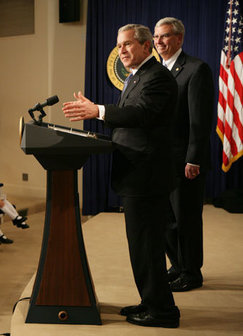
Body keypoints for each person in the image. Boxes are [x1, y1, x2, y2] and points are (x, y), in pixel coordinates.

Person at [62, 23, 179, 328]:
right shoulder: (137, 76)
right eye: (119, 46)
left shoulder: (157, 78)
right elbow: (128, 122)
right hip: (136, 174)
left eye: (128, 44)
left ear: (145, 46)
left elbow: (140, 115)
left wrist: (98, 111)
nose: (122, 50)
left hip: (147, 176)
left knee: (147, 246)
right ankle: (150, 301)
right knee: (142, 246)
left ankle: (162, 312)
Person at [153, 17, 214, 292]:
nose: (159, 42)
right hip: (162, 159)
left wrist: (194, 158)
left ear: (179, 39)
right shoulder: (156, 70)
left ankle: (192, 272)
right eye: (155, 37)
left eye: (164, 36)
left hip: (184, 160)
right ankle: (177, 266)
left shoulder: (196, 69)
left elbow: (199, 121)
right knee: (166, 218)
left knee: (186, 218)